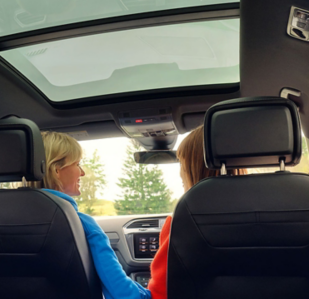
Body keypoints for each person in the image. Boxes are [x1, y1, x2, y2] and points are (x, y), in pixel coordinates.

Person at [38, 131, 152, 299]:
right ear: (56, 170)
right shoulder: (81, 224)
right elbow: (123, 294)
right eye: (77, 164)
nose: (82, 172)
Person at [146, 125, 246, 299]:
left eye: (183, 166)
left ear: (195, 171)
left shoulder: (183, 223)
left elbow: (161, 292)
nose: (180, 174)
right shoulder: (285, 211)